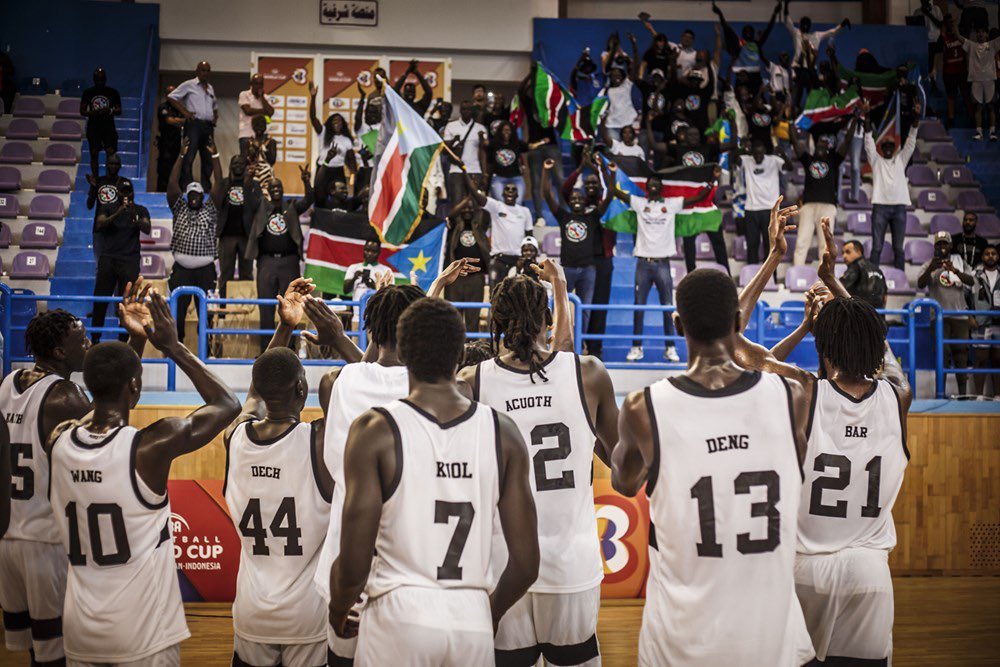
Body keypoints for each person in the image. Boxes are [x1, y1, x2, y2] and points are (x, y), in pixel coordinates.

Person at [611, 266, 814, 665]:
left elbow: (623, 481)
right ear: (738, 322)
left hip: (680, 640)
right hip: (769, 639)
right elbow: (794, 381)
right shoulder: (793, 397)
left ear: (676, 324)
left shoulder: (642, 409)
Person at [328, 298, 540, 663]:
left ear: (404, 353)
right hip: (470, 615)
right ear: (461, 355)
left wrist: (338, 608)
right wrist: (488, 613)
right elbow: (526, 564)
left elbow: (353, 559)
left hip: (398, 615)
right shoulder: (503, 432)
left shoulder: (374, 430)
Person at [48, 290, 240, 665]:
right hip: (143, 632)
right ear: (135, 388)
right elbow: (227, 404)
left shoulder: (59, 440)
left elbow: (101, 403)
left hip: (80, 628)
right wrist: (172, 346)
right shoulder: (151, 447)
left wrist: (132, 343)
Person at [459, 269, 618, 665]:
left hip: (501, 567)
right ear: (546, 319)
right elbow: (621, 464)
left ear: (495, 323)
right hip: (571, 566)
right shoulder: (588, 373)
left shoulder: (470, 382)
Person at [308, 284, 419, 664]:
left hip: (346, 550)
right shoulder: (431, 389)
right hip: (409, 557)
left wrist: (341, 339)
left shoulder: (341, 382)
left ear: (373, 331)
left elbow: (363, 371)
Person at [224, 278, 332, 667]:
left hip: (251, 612)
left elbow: (255, 394)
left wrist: (284, 327)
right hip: (307, 615)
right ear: (302, 391)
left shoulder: (235, 439)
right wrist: (333, 337)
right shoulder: (318, 442)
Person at [0, 311, 92, 665]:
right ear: (58, 351)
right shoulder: (65, 395)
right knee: (56, 653)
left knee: (32, 647)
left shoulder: (7, 382)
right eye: (80, 340)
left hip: (7, 536)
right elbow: (99, 445)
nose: (88, 344)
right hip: (45, 542)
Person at [606, 163, 717, 363]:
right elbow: (614, 190)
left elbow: (699, 198)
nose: (654, 185)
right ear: (647, 188)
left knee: (668, 307)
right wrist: (613, 173)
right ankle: (636, 347)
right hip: (643, 263)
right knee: (639, 306)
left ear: (661, 187)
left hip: (664, 264)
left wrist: (712, 180)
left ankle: (670, 347)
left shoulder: (672, 203)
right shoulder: (639, 203)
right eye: (651, 183)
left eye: (657, 183)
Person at [245, 169, 314, 351]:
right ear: (268, 190)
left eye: (279, 187)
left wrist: (306, 181)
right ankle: (266, 350)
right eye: (273, 187)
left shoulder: (290, 206)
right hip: (266, 262)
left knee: (291, 305)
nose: (276, 189)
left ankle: (288, 350)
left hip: (289, 262)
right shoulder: (261, 206)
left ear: (283, 190)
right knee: (266, 308)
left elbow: (308, 200)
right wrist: (250, 178)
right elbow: (248, 197)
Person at [541, 158, 613, 331]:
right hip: (567, 270)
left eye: (579, 197)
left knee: (584, 310)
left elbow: (610, 194)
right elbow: (546, 193)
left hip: (588, 270)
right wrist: (546, 170)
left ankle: (581, 344)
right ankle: (559, 342)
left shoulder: (592, 216)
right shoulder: (563, 216)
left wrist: (612, 173)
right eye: (573, 198)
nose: (576, 200)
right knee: (559, 308)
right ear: (569, 202)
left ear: (584, 200)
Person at [167, 137, 224, 343]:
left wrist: (215, 156)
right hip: (181, 270)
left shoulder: (211, 208)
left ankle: (207, 351)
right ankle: (177, 350)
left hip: (205, 271)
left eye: (197, 194)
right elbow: (172, 183)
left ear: (203, 196)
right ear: (186, 195)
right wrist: (182, 155)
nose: (193, 197)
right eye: (190, 193)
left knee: (206, 315)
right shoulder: (179, 207)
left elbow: (220, 183)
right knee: (177, 315)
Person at [862, 99, 920, 270]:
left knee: (898, 249)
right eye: (885, 145)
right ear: (881, 148)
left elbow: (911, 141)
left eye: (891, 145)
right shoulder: (876, 161)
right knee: (877, 247)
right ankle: (871, 283)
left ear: (894, 147)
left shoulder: (901, 160)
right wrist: (867, 116)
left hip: (899, 207)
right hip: (880, 206)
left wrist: (916, 117)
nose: (888, 147)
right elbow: (868, 142)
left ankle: (900, 276)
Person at [789, 117, 854, 266]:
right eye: (818, 145)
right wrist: (791, 121)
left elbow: (847, 141)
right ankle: (798, 271)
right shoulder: (809, 161)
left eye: (823, 146)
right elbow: (795, 142)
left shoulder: (834, 161)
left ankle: (824, 279)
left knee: (824, 246)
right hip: (808, 206)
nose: (819, 148)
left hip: (827, 206)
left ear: (828, 149)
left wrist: (854, 120)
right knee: (801, 242)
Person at [91, 180, 150, 343]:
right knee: (101, 298)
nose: (126, 195)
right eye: (123, 192)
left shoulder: (140, 210)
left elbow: (147, 228)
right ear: (117, 193)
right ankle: (95, 338)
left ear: (133, 193)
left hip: (129, 260)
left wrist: (132, 214)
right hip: (109, 258)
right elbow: (100, 224)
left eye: (129, 192)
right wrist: (118, 212)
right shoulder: (107, 208)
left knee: (127, 301)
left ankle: (123, 340)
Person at [918, 231, 975, 396]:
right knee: (942, 356)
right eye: (939, 244)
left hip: (960, 317)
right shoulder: (929, 264)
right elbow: (921, 284)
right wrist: (931, 268)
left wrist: (955, 271)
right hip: (939, 318)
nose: (942, 247)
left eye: (945, 243)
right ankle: (940, 394)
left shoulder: (959, 262)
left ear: (950, 245)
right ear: (935, 246)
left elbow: (971, 281)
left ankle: (963, 395)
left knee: (961, 357)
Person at [462, 167, 534, 286]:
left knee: (517, 294)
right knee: (494, 293)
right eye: (507, 189)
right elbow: (475, 194)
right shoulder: (496, 207)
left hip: (518, 259)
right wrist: (464, 172)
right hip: (498, 259)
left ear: (518, 194)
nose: (510, 191)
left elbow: (530, 238)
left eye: (513, 189)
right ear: (502, 193)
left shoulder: (525, 211)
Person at [739, 138, 791, 264]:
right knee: (752, 244)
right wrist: (742, 147)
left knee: (771, 245)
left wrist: (783, 154)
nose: (758, 156)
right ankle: (752, 275)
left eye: (760, 153)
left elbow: (790, 167)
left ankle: (771, 275)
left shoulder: (773, 160)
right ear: (751, 152)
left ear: (765, 152)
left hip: (771, 210)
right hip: (751, 208)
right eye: (755, 153)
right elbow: (732, 159)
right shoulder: (746, 160)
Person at [169, 61, 218, 189]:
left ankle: (206, 188)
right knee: (189, 156)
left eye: (207, 71)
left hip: (207, 127)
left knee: (208, 159)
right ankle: (187, 186)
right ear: (197, 71)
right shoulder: (189, 85)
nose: (205, 73)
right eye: (203, 70)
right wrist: (185, 112)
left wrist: (214, 117)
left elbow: (215, 106)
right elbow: (172, 97)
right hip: (194, 125)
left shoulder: (211, 88)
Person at [714, 0, 782, 92]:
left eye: (750, 32)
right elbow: (727, 29)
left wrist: (774, 13)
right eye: (746, 32)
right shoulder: (739, 43)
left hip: (755, 76)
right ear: (743, 34)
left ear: (753, 34)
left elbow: (768, 29)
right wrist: (720, 14)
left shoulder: (756, 44)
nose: (748, 33)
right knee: (741, 99)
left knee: (757, 100)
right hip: (741, 75)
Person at [217, 155, 259, 298]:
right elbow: (217, 203)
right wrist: (229, 182)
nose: (238, 166)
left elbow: (256, 207)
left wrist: (247, 186)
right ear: (230, 165)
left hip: (246, 237)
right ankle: (222, 311)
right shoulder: (223, 183)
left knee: (246, 274)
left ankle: (246, 309)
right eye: (235, 163)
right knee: (225, 274)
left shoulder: (254, 185)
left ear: (246, 166)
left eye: (241, 163)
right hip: (226, 236)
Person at [445, 198, 489, 333]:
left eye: (470, 208)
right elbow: (451, 215)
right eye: (464, 208)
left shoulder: (480, 227)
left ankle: (471, 350)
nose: (467, 210)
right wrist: (468, 197)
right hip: (455, 278)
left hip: (476, 278)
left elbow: (485, 211)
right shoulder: (453, 227)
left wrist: (474, 197)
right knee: (453, 317)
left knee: (473, 319)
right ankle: (453, 350)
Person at [80, 68, 122, 178]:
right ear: (94, 80)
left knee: (110, 153)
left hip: (108, 127)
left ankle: (109, 178)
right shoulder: (88, 92)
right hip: (94, 127)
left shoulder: (113, 92)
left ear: (105, 79)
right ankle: (96, 178)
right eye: (97, 80)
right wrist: (93, 112)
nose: (100, 82)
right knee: (94, 153)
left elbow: (119, 110)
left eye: (101, 79)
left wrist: (109, 110)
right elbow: (82, 111)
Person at [85, 153, 128, 259]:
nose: (113, 166)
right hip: (100, 229)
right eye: (111, 163)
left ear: (120, 166)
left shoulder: (125, 183)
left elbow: (128, 208)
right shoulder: (99, 181)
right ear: (106, 165)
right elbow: (89, 205)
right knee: (100, 265)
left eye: (116, 164)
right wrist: (93, 187)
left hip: (117, 230)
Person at [444, 101, 487, 204]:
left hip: (475, 170)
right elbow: (445, 148)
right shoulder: (451, 126)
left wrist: (484, 173)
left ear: (472, 111)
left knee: (476, 202)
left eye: (469, 109)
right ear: (460, 111)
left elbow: (483, 151)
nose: (466, 112)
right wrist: (454, 140)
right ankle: (456, 221)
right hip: (456, 170)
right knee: (457, 201)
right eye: (464, 109)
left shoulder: (480, 128)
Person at [971, 244, 1000, 398]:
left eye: (993, 253)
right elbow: (966, 296)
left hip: (999, 324)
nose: (990, 256)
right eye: (987, 253)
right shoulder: (975, 275)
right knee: (980, 359)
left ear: (998, 256)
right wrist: (970, 316)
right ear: (982, 257)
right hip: (981, 322)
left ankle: (998, 396)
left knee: (998, 360)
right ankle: (979, 396)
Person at [963, 25, 1000, 140]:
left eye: (982, 32)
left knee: (991, 107)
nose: (980, 34)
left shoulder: (993, 44)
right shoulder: (972, 45)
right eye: (978, 32)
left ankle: (992, 132)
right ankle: (979, 132)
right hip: (976, 81)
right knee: (978, 107)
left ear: (986, 34)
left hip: (989, 81)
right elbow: (960, 38)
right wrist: (954, 27)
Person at [344, 238, 394, 313]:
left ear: (379, 252)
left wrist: (373, 285)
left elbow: (390, 295)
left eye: (373, 251)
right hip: (357, 316)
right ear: (363, 250)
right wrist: (354, 278)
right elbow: (345, 290)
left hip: (377, 315)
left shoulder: (386, 270)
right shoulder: (353, 268)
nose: (369, 254)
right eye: (367, 250)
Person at [486, 120, 529, 204]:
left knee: (517, 203)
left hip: (516, 177)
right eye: (504, 130)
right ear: (500, 132)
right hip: (498, 177)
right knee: (501, 204)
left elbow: (529, 147)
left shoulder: (517, 143)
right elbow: (488, 160)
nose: (506, 132)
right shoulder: (494, 144)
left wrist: (541, 142)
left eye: (508, 130)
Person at [841, 239, 888, 309]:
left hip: (859, 315)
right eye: (843, 253)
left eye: (848, 252)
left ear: (859, 252)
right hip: (878, 316)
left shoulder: (854, 267)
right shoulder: (877, 269)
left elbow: (839, 286)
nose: (844, 256)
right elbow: (885, 297)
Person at [238, 73, 275, 157]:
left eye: (261, 84)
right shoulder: (244, 94)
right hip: (246, 135)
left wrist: (261, 97)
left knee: (263, 161)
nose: (259, 86)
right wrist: (263, 111)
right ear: (251, 84)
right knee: (245, 163)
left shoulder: (266, 98)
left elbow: (271, 112)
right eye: (256, 83)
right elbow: (248, 111)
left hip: (262, 136)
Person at [156, 85, 185, 192]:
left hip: (177, 142)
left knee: (177, 168)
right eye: (170, 93)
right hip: (165, 143)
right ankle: (161, 192)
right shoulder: (163, 107)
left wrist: (177, 120)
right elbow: (169, 120)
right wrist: (179, 121)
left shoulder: (179, 108)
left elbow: (186, 121)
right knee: (164, 169)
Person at [246, 115, 278, 194]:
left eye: (261, 124)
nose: (259, 127)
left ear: (265, 126)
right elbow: (247, 161)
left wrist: (263, 149)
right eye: (256, 124)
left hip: (266, 175)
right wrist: (254, 151)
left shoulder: (271, 141)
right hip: (253, 174)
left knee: (267, 196)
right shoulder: (249, 141)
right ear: (252, 126)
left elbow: (272, 161)